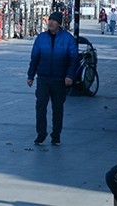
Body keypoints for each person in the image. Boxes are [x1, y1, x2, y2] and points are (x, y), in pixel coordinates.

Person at [27, 11, 78, 145]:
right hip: (43, 78)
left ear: (59, 23)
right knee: (40, 106)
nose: (50, 22)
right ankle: (41, 133)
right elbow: (35, 58)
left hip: (60, 79)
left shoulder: (68, 39)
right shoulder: (41, 38)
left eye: (54, 20)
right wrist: (30, 76)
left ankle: (56, 135)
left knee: (57, 108)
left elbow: (73, 59)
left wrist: (69, 76)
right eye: (49, 20)